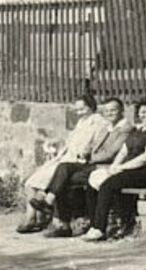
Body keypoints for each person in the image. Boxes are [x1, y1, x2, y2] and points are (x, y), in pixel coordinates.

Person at [34, 97, 130, 238]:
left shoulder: (125, 129)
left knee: (64, 176)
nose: (110, 113)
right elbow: (94, 145)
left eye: (113, 110)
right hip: (93, 163)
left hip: (107, 167)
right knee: (63, 169)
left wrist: (90, 157)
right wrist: (86, 151)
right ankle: (57, 213)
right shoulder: (107, 127)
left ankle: (59, 216)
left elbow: (112, 153)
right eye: (107, 110)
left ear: (122, 110)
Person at [15, 94, 111, 234]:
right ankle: (32, 218)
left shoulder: (99, 123)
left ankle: (36, 219)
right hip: (65, 157)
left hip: (76, 160)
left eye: (83, 109)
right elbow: (69, 143)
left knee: (44, 181)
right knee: (31, 182)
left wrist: (86, 152)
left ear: (91, 107)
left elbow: (96, 145)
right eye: (77, 110)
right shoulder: (81, 122)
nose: (79, 113)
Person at [80, 99, 146, 242]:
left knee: (108, 184)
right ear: (138, 115)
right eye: (143, 112)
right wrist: (114, 167)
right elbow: (123, 152)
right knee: (92, 181)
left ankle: (100, 229)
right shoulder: (138, 131)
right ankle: (94, 223)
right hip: (132, 170)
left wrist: (121, 168)